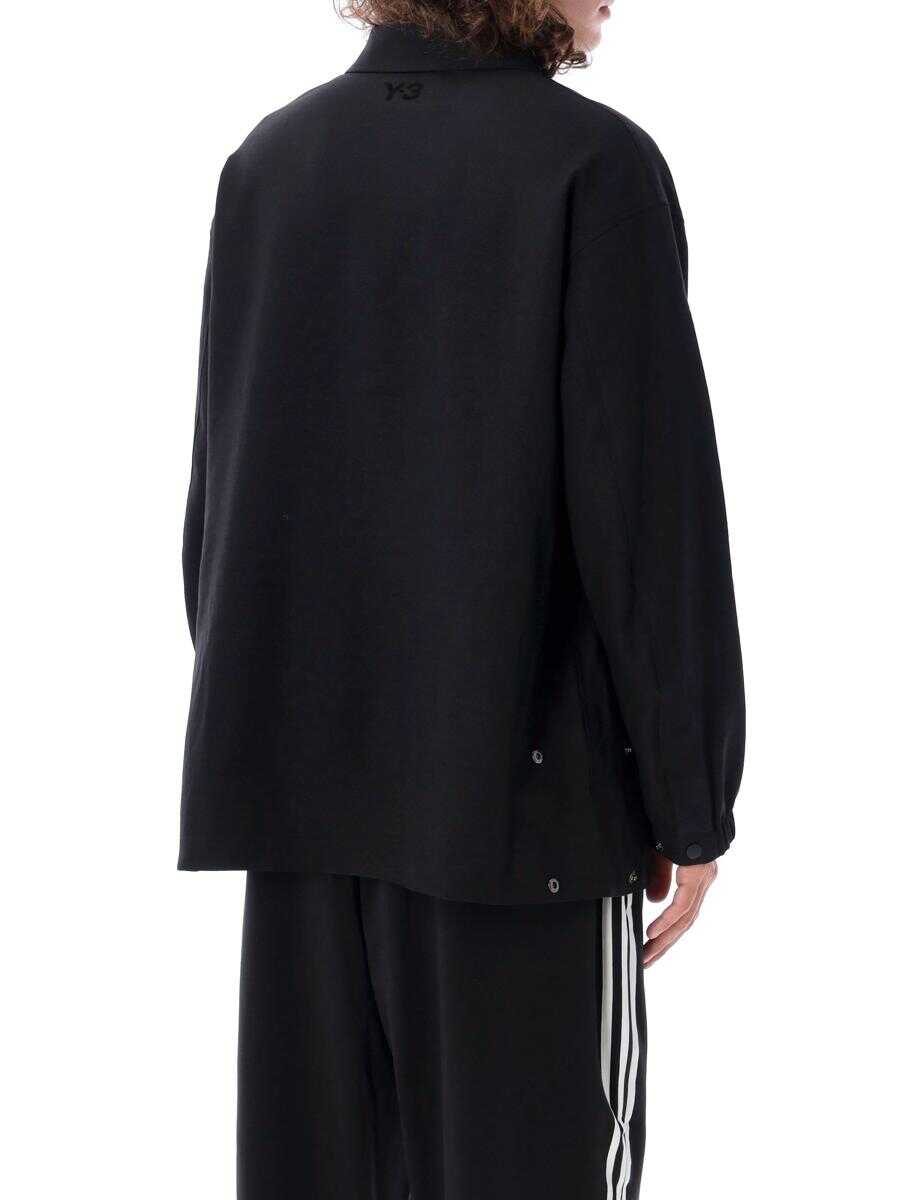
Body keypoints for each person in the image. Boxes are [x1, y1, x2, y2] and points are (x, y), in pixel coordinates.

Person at [180, 2, 745, 1196]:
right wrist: (689, 803)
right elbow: (647, 517)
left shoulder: (271, 161)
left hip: (302, 825)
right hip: (524, 822)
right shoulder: (590, 165)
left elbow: (221, 503)